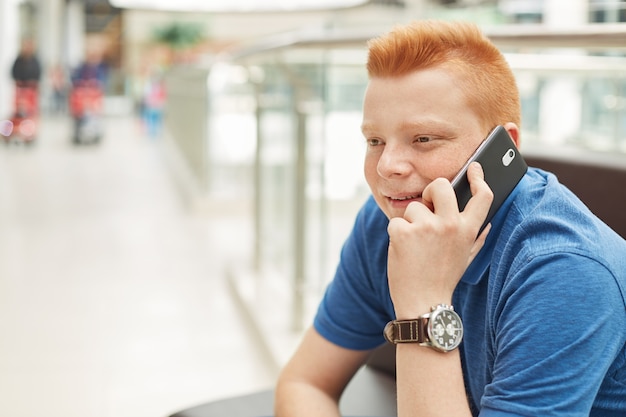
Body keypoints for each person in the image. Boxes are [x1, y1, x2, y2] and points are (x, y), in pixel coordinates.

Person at [275, 20, 626, 417]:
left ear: (504, 146)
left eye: (423, 139)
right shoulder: (390, 221)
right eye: (375, 141)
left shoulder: (564, 269)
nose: (387, 167)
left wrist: (424, 302)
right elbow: (304, 384)